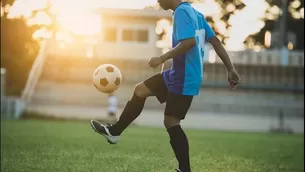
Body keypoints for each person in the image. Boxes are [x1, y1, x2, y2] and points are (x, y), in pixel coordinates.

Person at [90, 0, 240, 171]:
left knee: (171, 121)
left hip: (185, 76)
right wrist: (231, 69)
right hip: (177, 73)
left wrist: (162, 58)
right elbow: (216, 42)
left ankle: (185, 169)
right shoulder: (196, 14)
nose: (158, 1)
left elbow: (189, 42)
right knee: (140, 90)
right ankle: (115, 132)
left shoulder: (182, 12)